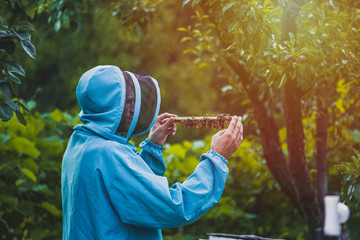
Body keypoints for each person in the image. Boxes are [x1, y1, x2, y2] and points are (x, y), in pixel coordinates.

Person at [61, 65, 243, 240]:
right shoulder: (108, 154)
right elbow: (175, 207)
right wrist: (216, 158)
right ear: (110, 105)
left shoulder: (80, 143)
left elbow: (130, 194)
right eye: (128, 102)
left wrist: (152, 147)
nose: (134, 109)